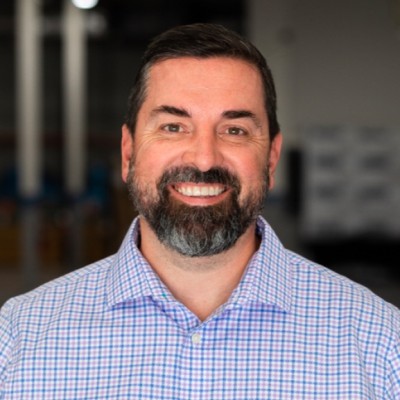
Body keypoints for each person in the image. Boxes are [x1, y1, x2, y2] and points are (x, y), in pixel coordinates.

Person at [0, 23, 399, 399]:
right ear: (128, 152)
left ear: (272, 158)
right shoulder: (18, 339)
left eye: (235, 130)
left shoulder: (381, 346)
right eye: (173, 127)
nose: (204, 159)